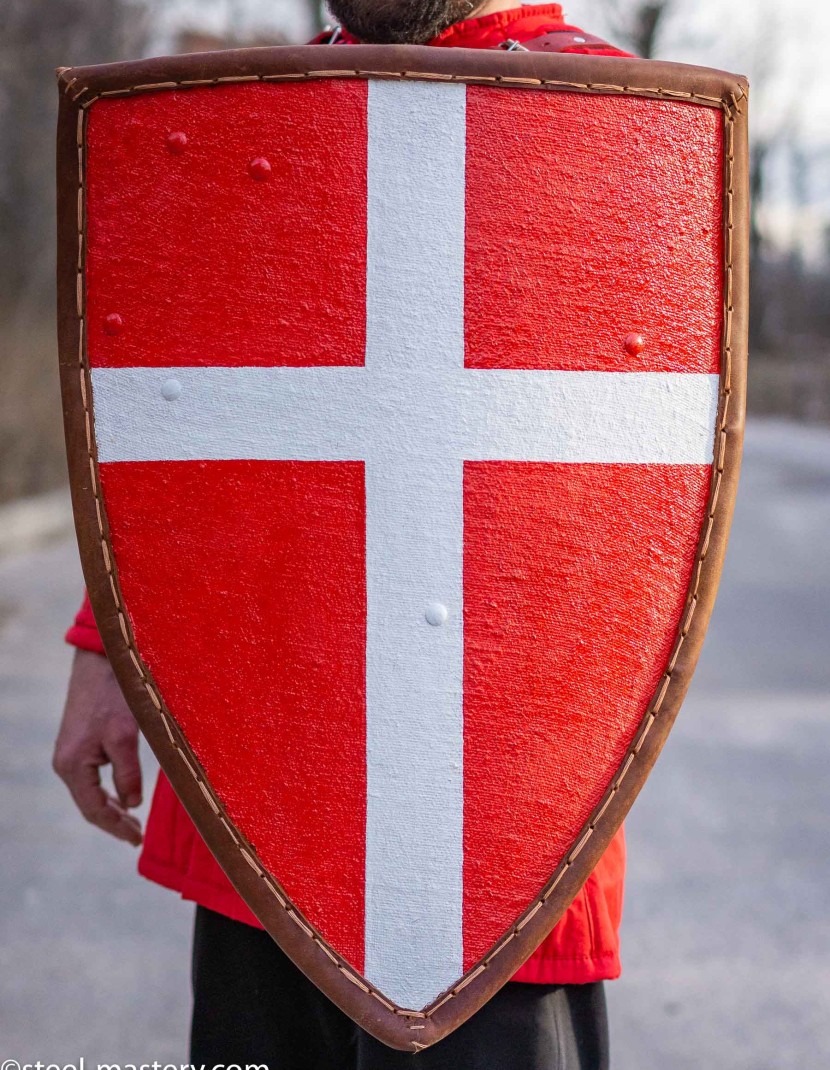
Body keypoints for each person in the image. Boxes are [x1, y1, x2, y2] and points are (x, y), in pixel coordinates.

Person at [54, 4, 631, 1067]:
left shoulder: (603, 119)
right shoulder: (253, 115)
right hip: (256, 781)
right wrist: (105, 641)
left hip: (489, 837)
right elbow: (184, 416)